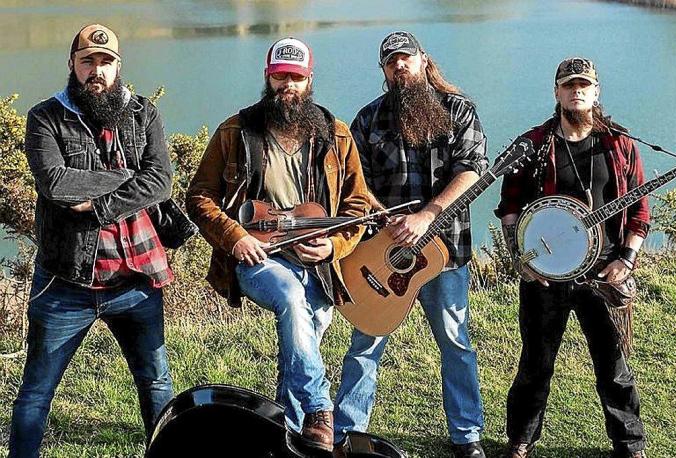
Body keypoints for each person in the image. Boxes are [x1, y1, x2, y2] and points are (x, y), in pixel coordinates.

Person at [185, 37, 370, 452]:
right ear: (267, 78)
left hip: (318, 263)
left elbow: (357, 204)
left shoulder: (335, 134)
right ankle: (322, 411)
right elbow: (198, 197)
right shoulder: (236, 130)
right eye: (280, 77)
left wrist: (333, 247)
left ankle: (290, 436)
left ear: (309, 80)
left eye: (296, 77)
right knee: (289, 299)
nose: (288, 85)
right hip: (259, 256)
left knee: (299, 346)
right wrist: (235, 237)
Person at [10, 24, 176, 457]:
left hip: (136, 279)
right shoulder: (45, 117)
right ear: (72, 64)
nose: (96, 71)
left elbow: (161, 183)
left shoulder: (144, 114)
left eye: (105, 62)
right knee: (36, 393)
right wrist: (127, 178)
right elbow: (56, 183)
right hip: (66, 282)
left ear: (118, 66)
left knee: (157, 384)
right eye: (88, 61)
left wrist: (99, 204)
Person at [332, 31, 489, 458]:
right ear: (384, 71)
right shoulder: (367, 120)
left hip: (446, 253)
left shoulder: (459, 110)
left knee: (455, 342)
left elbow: (472, 169)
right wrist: (387, 220)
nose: (399, 65)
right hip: (386, 253)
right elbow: (353, 183)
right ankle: (346, 432)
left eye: (406, 58)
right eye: (390, 61)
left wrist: (428, 215)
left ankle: (466, 435)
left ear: (423, 60)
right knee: (365, 343)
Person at [495, 57, 649, 458]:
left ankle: (630, 444)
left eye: (584, 85)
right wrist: (520, 256)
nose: (576, 91)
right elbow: (509, 204)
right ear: (556, 92)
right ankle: (521, 439)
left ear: (596, 92)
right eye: (568, 85)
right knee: (535, 363)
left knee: (613, 366)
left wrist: (625, 261)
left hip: (603, 272)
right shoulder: (533, 144)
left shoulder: (619, 145)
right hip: (545, 275)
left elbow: (640, 212)